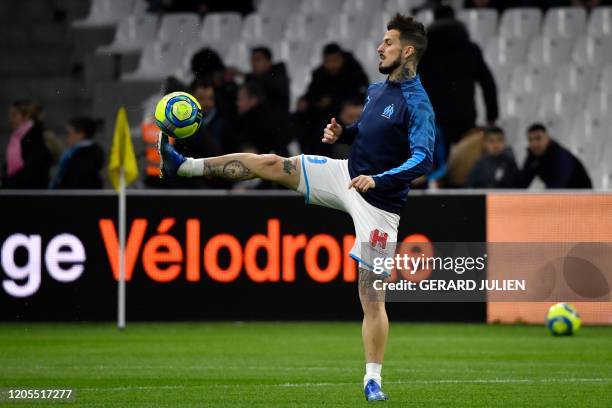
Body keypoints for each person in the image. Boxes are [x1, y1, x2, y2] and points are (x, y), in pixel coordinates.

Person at [158, 13, 435, 401]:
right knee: (273, 164)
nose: (379, 46)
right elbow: (372, 132)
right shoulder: (377, 90)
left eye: (387, 42)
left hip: (379, 204)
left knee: (371, 298)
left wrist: (379, 179)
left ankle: (373, 379)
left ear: (407, 50)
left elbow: (422, 159)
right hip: (346, 174)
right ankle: (184, 165)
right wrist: (346, 133)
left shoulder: (418, 103)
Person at [418, 5, 498, 150]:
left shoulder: (425, 53)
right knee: (466, 166)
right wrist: (492, 115)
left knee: (440, 167)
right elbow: (488, 82)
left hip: (436, 118)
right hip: (465, 116)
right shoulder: (470, 48)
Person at [299, 43, 369, 156]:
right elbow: (311, 94)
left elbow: (362, 93)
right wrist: (306, 101)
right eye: (328, 61)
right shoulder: (319, 74)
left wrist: (344, 105)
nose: (332, 65)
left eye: (335, 61)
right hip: (324, 116)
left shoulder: (354, 71)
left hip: (347, 113)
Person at [518, 123, 592, 189]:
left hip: (582, 198)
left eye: (538, 138)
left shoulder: (560, 156)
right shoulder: (533, 156)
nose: (534, 144)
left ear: (547, 138)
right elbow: (521, 183)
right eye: (530, 140)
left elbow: (558, 186)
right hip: (562, 197)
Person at [2, 101, 52, 189]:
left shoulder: (35, 136)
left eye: (14, 115)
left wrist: (8, 184)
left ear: (26, 116)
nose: (10, 119)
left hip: (30, 193)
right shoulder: (19, 136)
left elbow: (32, 169)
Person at [50, 117, 105, 189]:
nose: (67, 138)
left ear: (81, 134)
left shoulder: (87, 155)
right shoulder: (73, 152)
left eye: (69, 134)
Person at [245, 46, 290, 117]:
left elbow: (275, 85)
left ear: (268, 62)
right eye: (252, 60)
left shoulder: (278, 75)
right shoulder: (253, 79)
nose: (253, 63)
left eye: (257, 59)